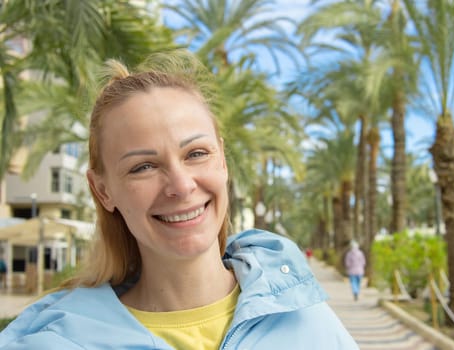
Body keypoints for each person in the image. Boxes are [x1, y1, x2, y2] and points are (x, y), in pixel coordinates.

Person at [0, 50, 358, 349]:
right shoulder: (55, 342)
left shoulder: (309, 322)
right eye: (143, 166)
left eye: (196, 153)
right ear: (102, 191)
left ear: (222, 159)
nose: (182, 186)